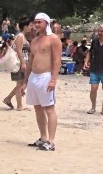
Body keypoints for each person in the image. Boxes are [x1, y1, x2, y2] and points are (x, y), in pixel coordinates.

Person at [22, 13, 60, 151]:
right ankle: (43, 137)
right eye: (35, 22)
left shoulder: (53, 39)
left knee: (49, 108)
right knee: (37, 108)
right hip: (34, 76)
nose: (37, 25)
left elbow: (57, 60)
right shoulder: (34, 41)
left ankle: (51, 140)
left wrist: (53, 79)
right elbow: (30, 61)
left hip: (46, 76)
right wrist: (25, 81)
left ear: (46, 23)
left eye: (39, 22)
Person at [2, 18, 31, 111]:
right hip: (19, 63)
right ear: (25, 26)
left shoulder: (22, 36)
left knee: (21, 83)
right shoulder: (20, 36)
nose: (31, 27)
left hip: (22, 62)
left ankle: (8, 99)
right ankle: (19, 105)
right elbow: (18, 49)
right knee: (20, 84)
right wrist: (23, 63)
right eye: (30, 25)